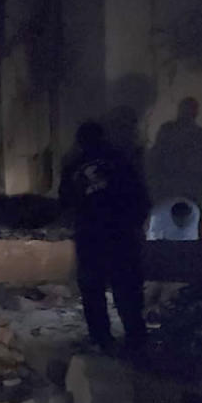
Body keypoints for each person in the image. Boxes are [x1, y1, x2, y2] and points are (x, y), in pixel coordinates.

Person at [60, 120, 151, 352]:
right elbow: (139, 196)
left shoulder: (74, 165)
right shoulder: (120, 160)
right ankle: (135, 338)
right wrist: (134, 224)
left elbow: (65, 202)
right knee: (127, 288)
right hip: (120, 235)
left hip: (91, 237)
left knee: (93, 291)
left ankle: (102, 339)